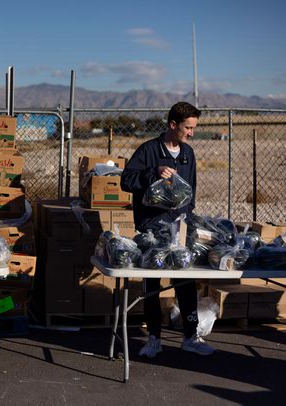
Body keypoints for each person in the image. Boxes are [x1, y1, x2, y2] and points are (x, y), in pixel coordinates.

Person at [120, 101, 215, 358]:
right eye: (188, 128)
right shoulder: (149, 150)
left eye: (193, 128)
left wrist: (187, 220)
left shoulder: (188, 154)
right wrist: (153, 173)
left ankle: (190, 337)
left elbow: (190, 191)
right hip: (152, 230)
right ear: (173, 125)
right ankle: (154, 338)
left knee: (185, 282)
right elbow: (126, 181)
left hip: (179, 228)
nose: (191, 133)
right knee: (152, 284)